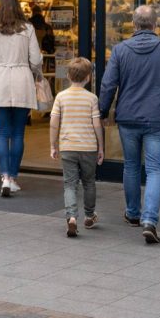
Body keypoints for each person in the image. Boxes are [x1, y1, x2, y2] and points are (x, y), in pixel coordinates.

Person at [99, 5, 160, 244]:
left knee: (130, 166)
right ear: (155, 24)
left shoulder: (120, 50)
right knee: (155, 169)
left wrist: (102, 110)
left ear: (134, 24)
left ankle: (132, 214)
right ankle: (150, 220)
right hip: (159, 117)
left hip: (128, 116)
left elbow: (108, 85)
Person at [0, 0, 42, 197]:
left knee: (2, 132)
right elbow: (37, 59)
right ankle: (13, 177)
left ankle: (4, 177)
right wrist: (36, 74)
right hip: (22, 80)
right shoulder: (28, 29)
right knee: (18, 133)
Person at [50, 57, 105, 237]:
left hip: (68, 147)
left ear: (67, 76)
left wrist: (53, 145)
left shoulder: (61, 97)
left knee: (70, 184)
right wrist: (101, 147)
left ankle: (71, 217)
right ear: (88, 77)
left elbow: (53, 123)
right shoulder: (92, 98)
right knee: (89, 182)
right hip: (88, 147)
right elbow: (97, 124)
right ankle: (89, 215)